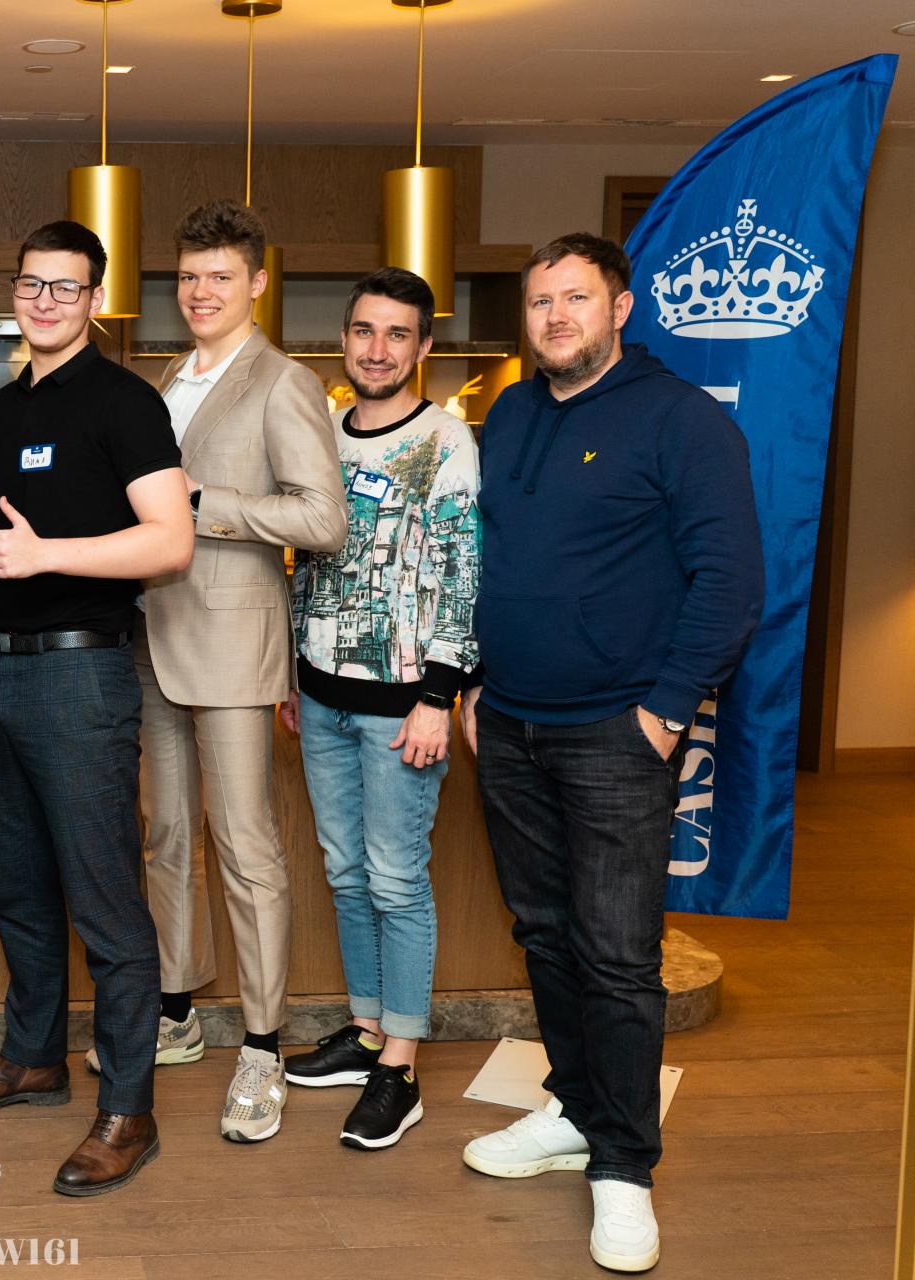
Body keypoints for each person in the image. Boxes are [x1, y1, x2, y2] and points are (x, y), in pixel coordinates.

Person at [458, 233, 762, 1274]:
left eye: (575, 298)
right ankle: (576, 1109)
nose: (555, 317)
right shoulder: (510, 412)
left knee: (619, 955)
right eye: (540, 301)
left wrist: (667, 710)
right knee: (544, 936)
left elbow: (732, 578)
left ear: (620, 307)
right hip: (510, 725)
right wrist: (476, 683)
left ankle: (625, 1166)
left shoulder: (683, 420)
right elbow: (495, 558)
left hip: (616, 733)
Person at [0, 220, 194, 1197]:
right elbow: (0, 531)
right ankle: (34, 1055)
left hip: (81, 675)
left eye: (65, 288)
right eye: (31, 285)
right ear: (15, 292)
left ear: (96, 300)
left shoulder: (126, 402)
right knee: (20, 886)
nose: (45, 302)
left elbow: (170, 541)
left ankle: (128, 1108)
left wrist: (47, 556)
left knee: (105, 901)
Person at [131, 199, 347, 1144]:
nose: (200, 292)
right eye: (188, 276)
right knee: (166, 835)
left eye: (220, 276)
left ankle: (262, 1046)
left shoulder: (284, 382)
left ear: (258, 282)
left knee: (247, 850)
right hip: (149, 634)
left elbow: (322, 520)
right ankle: (178, 1009)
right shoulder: (162, 379)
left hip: (231, 644)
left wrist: (204, 501)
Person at [280, 267, 480, 1153]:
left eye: (398, 334)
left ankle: (400, 1064)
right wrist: (293, 668)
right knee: (346, 872)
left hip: (403, 708)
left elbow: (462, 574)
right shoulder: (322, 434)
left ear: (424, 346)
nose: (377, 349)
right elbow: (306, 562)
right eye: (364, 330)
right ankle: (366, 1033)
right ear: (344, 339)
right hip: (319, 694)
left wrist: (439, 694)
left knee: (397, 878)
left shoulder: (445, 440)